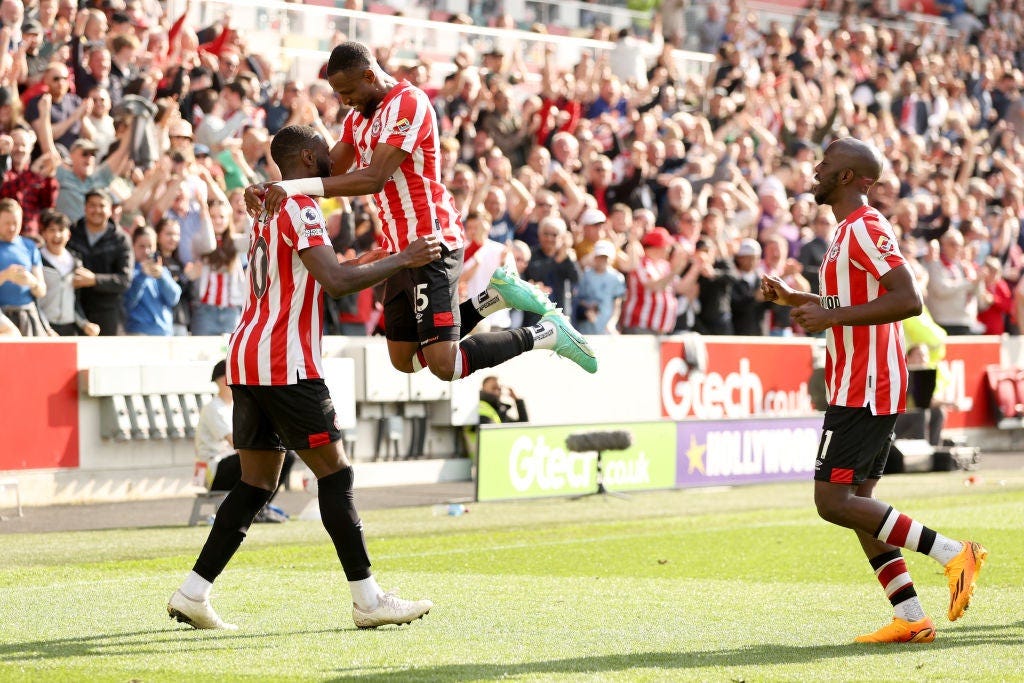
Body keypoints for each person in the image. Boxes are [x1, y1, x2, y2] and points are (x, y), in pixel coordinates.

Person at [168, 124, 441, 632]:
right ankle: (368, 600)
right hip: (284, 362)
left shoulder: (268, 208)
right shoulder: (300, 207)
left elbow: (306, 276)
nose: (335, 165)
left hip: (247, 357)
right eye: (328, 157)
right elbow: (335, 284)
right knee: (336, 474)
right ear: (310, 157)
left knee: (255, 485)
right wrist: (403, 258)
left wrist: (372, 260)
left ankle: (192, 592)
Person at [251, 42, 597, 382]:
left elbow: (373, 178)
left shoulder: (409, 103)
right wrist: (271, 187)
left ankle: (545, 334)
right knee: (405, 360)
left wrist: (292, 189)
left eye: (347, 91)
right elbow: (330, 175)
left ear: (370, 76)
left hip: (430, 240)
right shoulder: (357, 119)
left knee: (444, 364)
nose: (344, 101)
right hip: (398, 247)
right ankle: (494, 297)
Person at [761, 138, 987, 644]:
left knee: (832, 500)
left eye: (826, 164)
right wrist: (799, 299)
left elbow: (907, 299)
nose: (816, 169)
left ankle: (955, 553)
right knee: (863, 505)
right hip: (856, 379)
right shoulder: (845, 233)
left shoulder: (866, 227)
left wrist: (831, 315)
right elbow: (852, 301)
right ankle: (911, 617)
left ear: (847, 178)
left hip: (866, 384)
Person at [195, 360, 294, 524]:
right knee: (264, 456)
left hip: (233, 461)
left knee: (286, 456)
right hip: (216, 469)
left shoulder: (236, 405)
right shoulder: (213, 408)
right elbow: (238, 443)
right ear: (223, 380)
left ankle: (262, 506)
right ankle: (258, 508)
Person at [67, 188, 132, 335]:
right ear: (85, 207)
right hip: (76, 311)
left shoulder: (120, 239)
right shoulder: (72, 233)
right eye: (92, 205)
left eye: (102, 206)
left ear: (110, 210)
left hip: (108, 313)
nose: (97, 210)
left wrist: (94, 280)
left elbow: (125, 280)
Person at [37, 209, 100, 336]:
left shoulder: (76, 261)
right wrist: (45, 328)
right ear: (43, 233)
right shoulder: (36, 259)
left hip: (69, 327)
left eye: (61, 230)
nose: (57, 235)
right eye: (51, 230)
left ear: (69, 234)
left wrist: (84, 323)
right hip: (44, 328)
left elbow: (75, 300)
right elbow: (33, 301)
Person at [0, 198, 48, 335]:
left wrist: (32, 282)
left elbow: (41, 290)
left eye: (15, 223)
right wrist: (5, 275)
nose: (12, 228)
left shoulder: (30, 246)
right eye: (6, 223)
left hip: (27, 315)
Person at [123, 226, 181, 336]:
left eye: (150, 246)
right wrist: (142, 276)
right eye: (141, 246)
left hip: (164, 332)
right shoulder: (128, 271)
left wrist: (161, 276)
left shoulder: (162, 271)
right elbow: (127, 303)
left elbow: (174, 298)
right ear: (133, 246)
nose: (146, 251)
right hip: (138, 332)